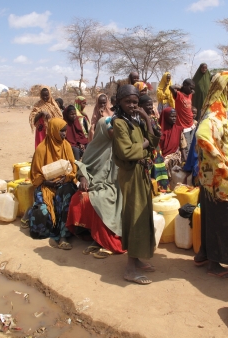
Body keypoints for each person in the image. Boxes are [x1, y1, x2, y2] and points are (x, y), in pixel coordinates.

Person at [194, 71, 228, 279]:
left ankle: (204, 254)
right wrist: (222, 162)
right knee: (223, 216)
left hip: (211, 175)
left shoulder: (217, 109)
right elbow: (202, 136)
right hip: (220, 177)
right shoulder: (216, 113)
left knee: (210, 213)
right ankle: (215, 263)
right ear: (226, 89)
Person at [112, 84, 160, 285]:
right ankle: (130, 269)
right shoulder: (119, 124)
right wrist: (146, 144)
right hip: (130, 173)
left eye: (135, 102)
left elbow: (154, 141)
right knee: (134, 216)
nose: (132, 105)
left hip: (142, 171)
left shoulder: (136, 120)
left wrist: (147, 119)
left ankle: (137, 258)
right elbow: (127, 151)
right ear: (120, 103)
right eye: (128, 102)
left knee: (143, 213)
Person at [66, 117, 125, 258]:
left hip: (117, 187)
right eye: (110, 129)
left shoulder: (121, 145)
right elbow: (83, 165)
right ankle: (93, 235)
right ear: (102, 130)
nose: (113, 132)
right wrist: (83, 177)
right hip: (95, 184)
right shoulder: (93, 147)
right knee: (78, 198)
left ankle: (104, 241)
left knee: (100, 201)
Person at [29, 118, 78, 250]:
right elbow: (35, 174)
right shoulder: (41, 149)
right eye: (61, 131)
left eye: (65, 131)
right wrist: (46, 181)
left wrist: (66, 178)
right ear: (53, 131)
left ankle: (63, 236)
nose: (64, 134)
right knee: (42, 213)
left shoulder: (66, 146)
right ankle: (34, 217)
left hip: (63, 183)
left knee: (67, 196)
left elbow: (73, 169)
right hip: (46, 185)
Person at [138, 95, 169, 192]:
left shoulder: (153, 119)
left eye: (151, 105)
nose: (150, 107)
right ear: (140, 106)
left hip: (157, 149)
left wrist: (158, 132)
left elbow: (158, 133)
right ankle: (153, 191)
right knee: (151, 171)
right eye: (148, 105)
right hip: (147, 150)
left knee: (159, 170)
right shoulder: (139, 121)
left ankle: (162, 189)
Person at [158, 107, 186, 183]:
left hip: (175, 159)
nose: (174, 118)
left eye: (175, 116)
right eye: (172, 116)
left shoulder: (178, 129)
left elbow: (182, 145)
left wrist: (185, 158)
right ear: (166, 117)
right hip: (163, 160)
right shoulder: (159, 131)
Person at [170, 79, 196, 155]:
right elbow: (171, 87)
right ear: (184, 86)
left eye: (192, 88)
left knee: (191, 145)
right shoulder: (179, 95)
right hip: (183, 126)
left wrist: (190, 89)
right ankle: (186, 163)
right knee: (186, 146)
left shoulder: (190, 94)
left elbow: (193, 91)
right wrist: (181, 87)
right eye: (190, 88)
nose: (192, 90)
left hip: (191, 125)